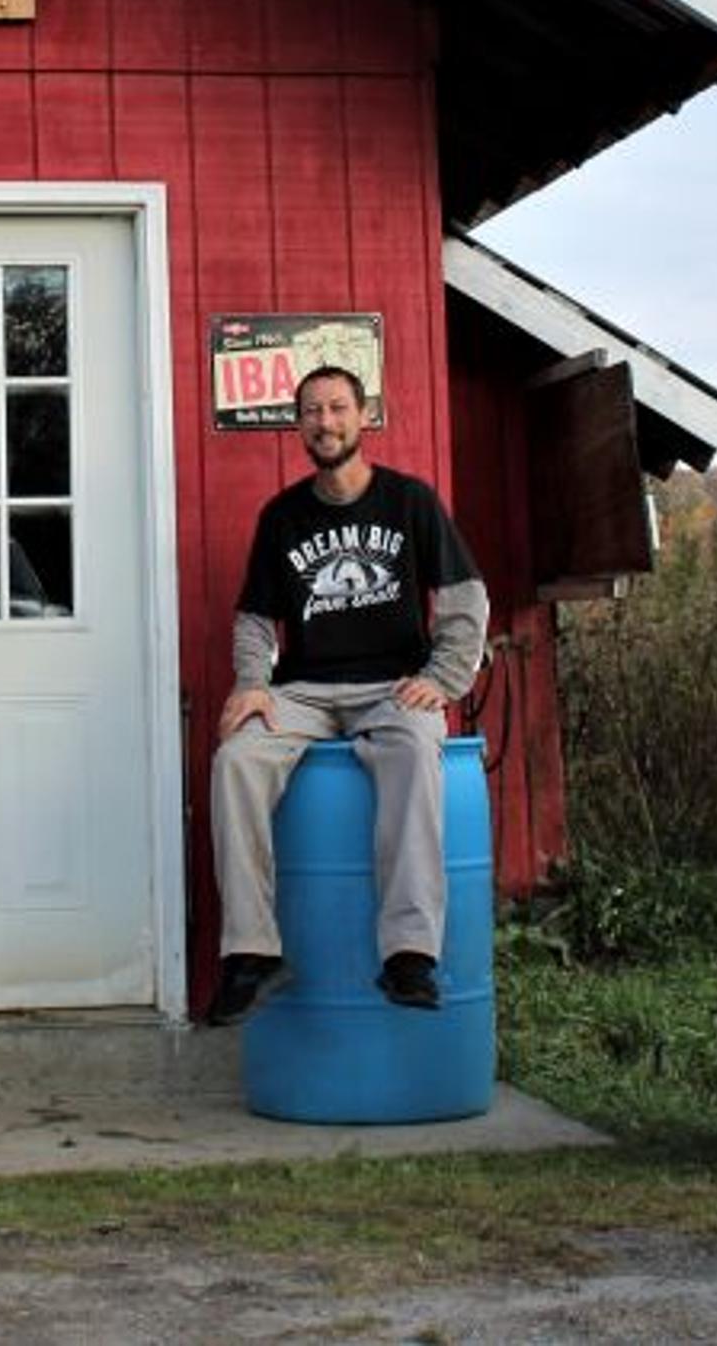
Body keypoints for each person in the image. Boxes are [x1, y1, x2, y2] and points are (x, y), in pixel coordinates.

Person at [200, 366, 488, 1027]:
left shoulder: (409, 501)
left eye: (336, 409)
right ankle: (252, 952)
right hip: (305, 690)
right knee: (236, 759)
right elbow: (253, 619)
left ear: (364, 416)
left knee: (418, 747)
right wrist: (251, 685)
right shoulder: (282, 516)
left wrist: (442, 680)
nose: (324, 423)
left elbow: (466, 598)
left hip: (392, 687)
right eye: (311, 412)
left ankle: (409, 954)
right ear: (299, 424)